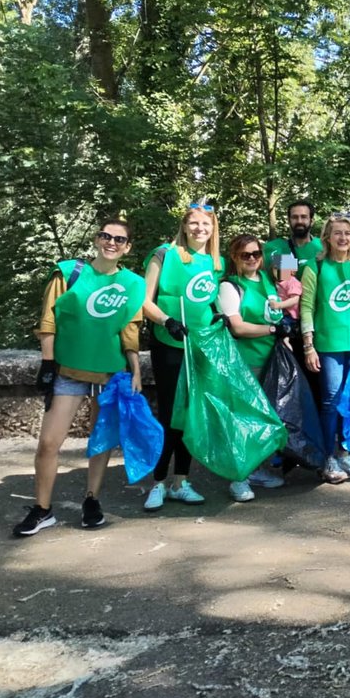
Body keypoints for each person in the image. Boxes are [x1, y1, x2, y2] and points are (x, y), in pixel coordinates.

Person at [14, 220, 146, 537]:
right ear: (97, 239)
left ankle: (92, 500)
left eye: (119, 239)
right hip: (69, 371)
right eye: (106, 236)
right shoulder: (68, 273)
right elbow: (48, 319)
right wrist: (48, 363)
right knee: (48, 443)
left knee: (99, 441)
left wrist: (136, 370)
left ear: (127, 247)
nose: (111, 242)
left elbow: (130, 329)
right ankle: (43, 509)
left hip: (110, 373)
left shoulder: (132, 283)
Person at [141, 202, 224, 511]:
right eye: (194, 223)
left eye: (206, 224)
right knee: (169, 415)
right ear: (184, 226)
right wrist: (166, 321)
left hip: (200, 346)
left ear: (213, 229)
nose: (199, 229)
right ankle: (158, 482)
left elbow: (212, 302)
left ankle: (181, 481)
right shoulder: (164, 254)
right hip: (169, 344)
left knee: (190, 414)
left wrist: (219, 317)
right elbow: (144, 300)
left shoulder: (216, 263)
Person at [300, 214, 350, 483]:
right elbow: (307, 306)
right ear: (327, 238)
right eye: (337, 233)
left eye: (347, 233)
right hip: (328, 344)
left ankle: (344, 452)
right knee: (331, 401)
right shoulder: (316, 267)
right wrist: (308, 345)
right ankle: (328, 457)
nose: (343, 238)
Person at [219, 234, 297, 501]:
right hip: (244, 362)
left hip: (270, 360)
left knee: (264, 419)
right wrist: (273, 329)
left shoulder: (265, 279)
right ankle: (238, 478)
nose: (252, 259)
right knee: (242, 420)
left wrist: (284, 333)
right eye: (245, 255)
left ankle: (257, 469)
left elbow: (276, 308)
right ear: (234, 257)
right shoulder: (230, 286)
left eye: (256, 254)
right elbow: (237, 327)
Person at [264, 199, 323, 271]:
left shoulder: (323, 246)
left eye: (304, 217)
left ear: (312, 221)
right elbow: (285, 280)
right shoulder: (278, 248)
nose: (299, 221)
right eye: (295, 217)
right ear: (289, 221)